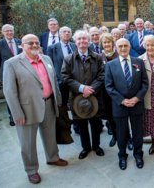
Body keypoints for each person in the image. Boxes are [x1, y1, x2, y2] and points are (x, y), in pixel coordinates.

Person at [3, 34, 68, 184]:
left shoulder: (46, 59)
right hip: (27, 109)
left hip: (48, 104)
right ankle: (31, 170)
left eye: (36, 43)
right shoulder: (12, 63)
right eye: (29, 43)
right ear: (22, 45)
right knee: (28, 142)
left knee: (50, 135)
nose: (34, 45)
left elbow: (53, 81)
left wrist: (57, 101)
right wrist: (16, 113)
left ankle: (53, 158)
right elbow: (9, 91)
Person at [105, 38, 148, 170]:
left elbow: (145, 83)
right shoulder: (110, 65)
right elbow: (109, 86)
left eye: (125, 46)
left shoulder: (139, 62)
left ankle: (138, 154)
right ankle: (122, 156)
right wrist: (122, 100)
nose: (123, 48)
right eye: (120, 46)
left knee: (137, 132)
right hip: (120, 105)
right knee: (121, 133)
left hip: (137, 104)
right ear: (116, 48)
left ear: (129, 47)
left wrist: (137, 98)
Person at [62, 30, 105, 160]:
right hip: (76, 98)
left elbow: (102, 75)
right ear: (75, 42)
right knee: (82, 124)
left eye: (85, 39)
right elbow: (65, 77)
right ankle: (85, 148)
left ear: (89, 41)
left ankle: (96, 146)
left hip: (94, 96)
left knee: (95, 123)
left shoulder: (97, 57)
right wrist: (81, 88)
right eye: (79, 39)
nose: (82, 41)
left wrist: (91, 89)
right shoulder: (69, 58)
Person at [46, 26, 77, 139]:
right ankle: (66, 127)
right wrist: (57, 79)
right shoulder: (52, 48)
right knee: (62, 105)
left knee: (76, 102)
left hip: (75, 80)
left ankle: (77, 125)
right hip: (61, 81)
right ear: (59, 34)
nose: (67, 33)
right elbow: (49, 65)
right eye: (64, 32)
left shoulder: (74, 45)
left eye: (69, 31)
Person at [0, 24, 22, 126]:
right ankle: (12, 117)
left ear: (13, 31)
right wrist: (5, 67)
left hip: (22, 73)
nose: (9, 32)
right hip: (7, 74)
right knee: (11, 95)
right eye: (7, 31)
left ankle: (22, 114)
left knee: (22, 94)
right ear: (3, 32)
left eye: (11, 30)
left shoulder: (20, 42)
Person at [99, 33, 118, 147]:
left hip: (119, 91)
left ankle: (127, 137)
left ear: (112, 43)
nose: (106, 44)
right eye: (104, 42)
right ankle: (115, 136)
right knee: (110, 115)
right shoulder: (98, 57)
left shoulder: (118, 54)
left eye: (108, 42)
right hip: (106, 92)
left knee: (121, 116)